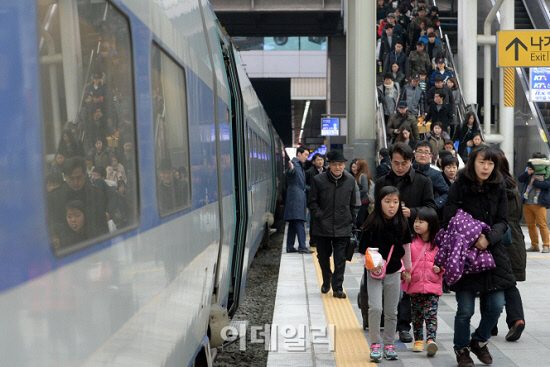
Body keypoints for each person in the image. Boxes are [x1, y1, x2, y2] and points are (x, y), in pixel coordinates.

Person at [441, 145, 515, 367]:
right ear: (473, 161)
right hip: (464, 255)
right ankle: (461, 349)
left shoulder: (499, 186)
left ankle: (479, 341)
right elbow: (448, 218)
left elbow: (504, 220)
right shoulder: (460, 185)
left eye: (491, 163)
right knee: (465, 310)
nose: (486, 167)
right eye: (482, 162)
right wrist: (473, 236)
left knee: (496, 305)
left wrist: (489, 239)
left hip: (492, 253)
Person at [375, 142, 436, 343]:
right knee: (387, 281)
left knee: (409, 283)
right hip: (386, 240)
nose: (400, 167)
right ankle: (387, 319)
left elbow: (431, 207)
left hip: (413, 238)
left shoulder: (422, 181)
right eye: (396, 163)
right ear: (390, 161)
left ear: (411, 161)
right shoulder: (382, 181)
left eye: (404, 163)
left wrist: (413, 213)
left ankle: (404, 326)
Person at [359, 186, 412, 362]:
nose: (392, 205)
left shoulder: (402, 223)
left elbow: (406, 248)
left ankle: (389, 344)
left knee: (392, 310)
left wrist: (408, 269)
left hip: (395, 270)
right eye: (387, 201)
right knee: (375, 308)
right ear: (380, 202)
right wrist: (370, 264)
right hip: (374, 271)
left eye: (395, 202)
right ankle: (375, 344)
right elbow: (362, 249)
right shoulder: (371, 223)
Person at [308, 150, 360, 298]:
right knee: (323, 257)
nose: (338, 167)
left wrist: (351, 218)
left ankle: (337, 287)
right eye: (335, 164)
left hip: (343, 226)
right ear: (329, 165)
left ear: (344, 165)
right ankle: (326, 279)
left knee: (340, 259)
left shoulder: (350, 180)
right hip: (322, 227)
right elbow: (312, 202)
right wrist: (320, 216)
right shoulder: (318, 180)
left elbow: (355, 203)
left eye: (341, 164)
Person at [491, 150, 526, 342]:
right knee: (508, 283)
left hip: (498, 239)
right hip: (515, 239)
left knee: (489, 282)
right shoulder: (513, 186)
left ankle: (491, 324)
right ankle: (516, 320)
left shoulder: (493, 188)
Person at [406, 207, 442, 356]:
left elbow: (444, 262)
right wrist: (405, 272)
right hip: (415, 285)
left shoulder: (438, 244)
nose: (417, 224)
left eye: (421, 221)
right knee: (417, 315)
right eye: (415, 221)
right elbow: (405, 260)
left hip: (432, 285)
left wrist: (440, 269)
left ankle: (431, 340)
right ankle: (419, 340)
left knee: (431, 314)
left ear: (431, 224)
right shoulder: (411, 242)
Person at [518, 152, 550, 253]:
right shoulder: (529, 169)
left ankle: (546, 245)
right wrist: (527, 173)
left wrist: (535, 182)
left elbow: (547, 184)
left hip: (540, 203)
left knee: (542, 225)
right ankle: (534, 245)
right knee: (530, 225)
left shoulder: (547, 171)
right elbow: (520, 179)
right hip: (527, 202)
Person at [284, 146, 312, 254]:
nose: (306, 157)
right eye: (305, 155)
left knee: (293, 223)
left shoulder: (300, 166)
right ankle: (302, 247)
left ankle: (290, 247)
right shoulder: (294, 164)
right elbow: (290, 173)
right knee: (300, 221)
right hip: (296, 198)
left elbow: (302, 184)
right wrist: (290, 169)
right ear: (299, 154)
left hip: (297, 197)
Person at [413, 141, 449, 213]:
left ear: (430, 156)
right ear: (414, 153)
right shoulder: (407, 170)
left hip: (426, 213)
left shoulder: (435, 174)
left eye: (426, 152)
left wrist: (433, 205)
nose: (423, 155)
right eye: (420, 151)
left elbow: (447, 193)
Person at [306, 153, 326, 247]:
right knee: (314, 220)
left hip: (325, 200)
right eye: (318, 160)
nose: (320, 161)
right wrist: (313, 189)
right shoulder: (309, 172)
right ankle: (313, 241)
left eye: (321, 159)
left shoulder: (327, 171)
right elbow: (304, 185)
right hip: (314, 200)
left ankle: (322, 240)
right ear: (313, 162)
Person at [355, 159, 374, 226]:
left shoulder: (362, 175)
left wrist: (356, 195)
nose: (355, 165)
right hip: (362, 201)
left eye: (357, 164)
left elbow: (365, 189)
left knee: (360, 220)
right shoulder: (359, 174)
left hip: (363, 201)